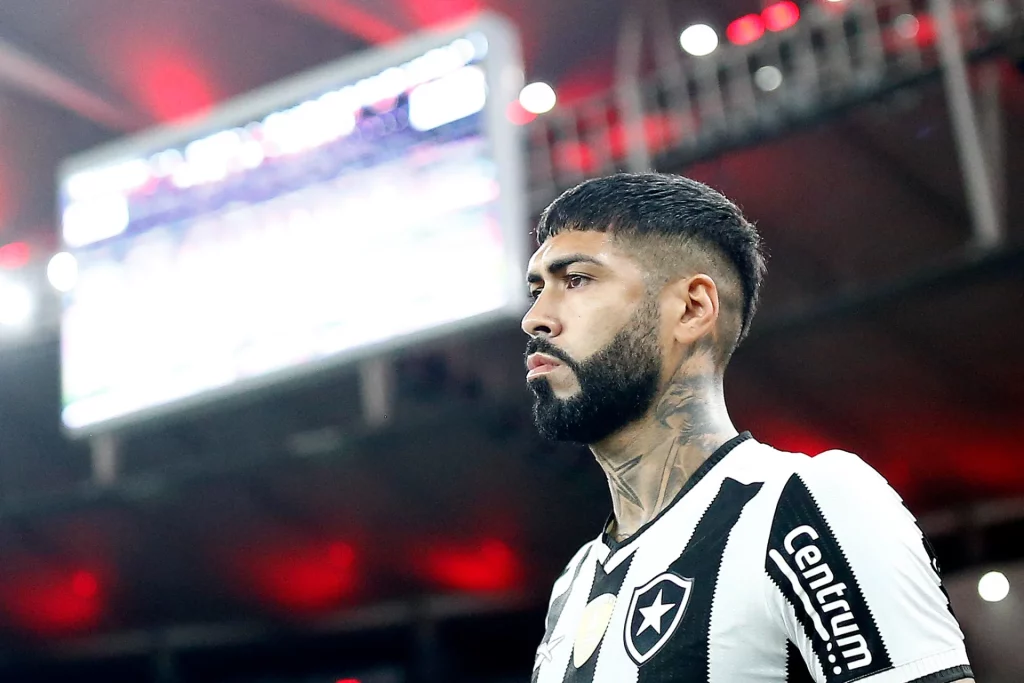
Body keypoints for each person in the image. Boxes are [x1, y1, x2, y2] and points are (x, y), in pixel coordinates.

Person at [522, 173, 973, 683]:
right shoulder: (576, 581)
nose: (535, 318)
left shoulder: (805, 504)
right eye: (536, 289)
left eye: (576, 280)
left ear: (692, 308)